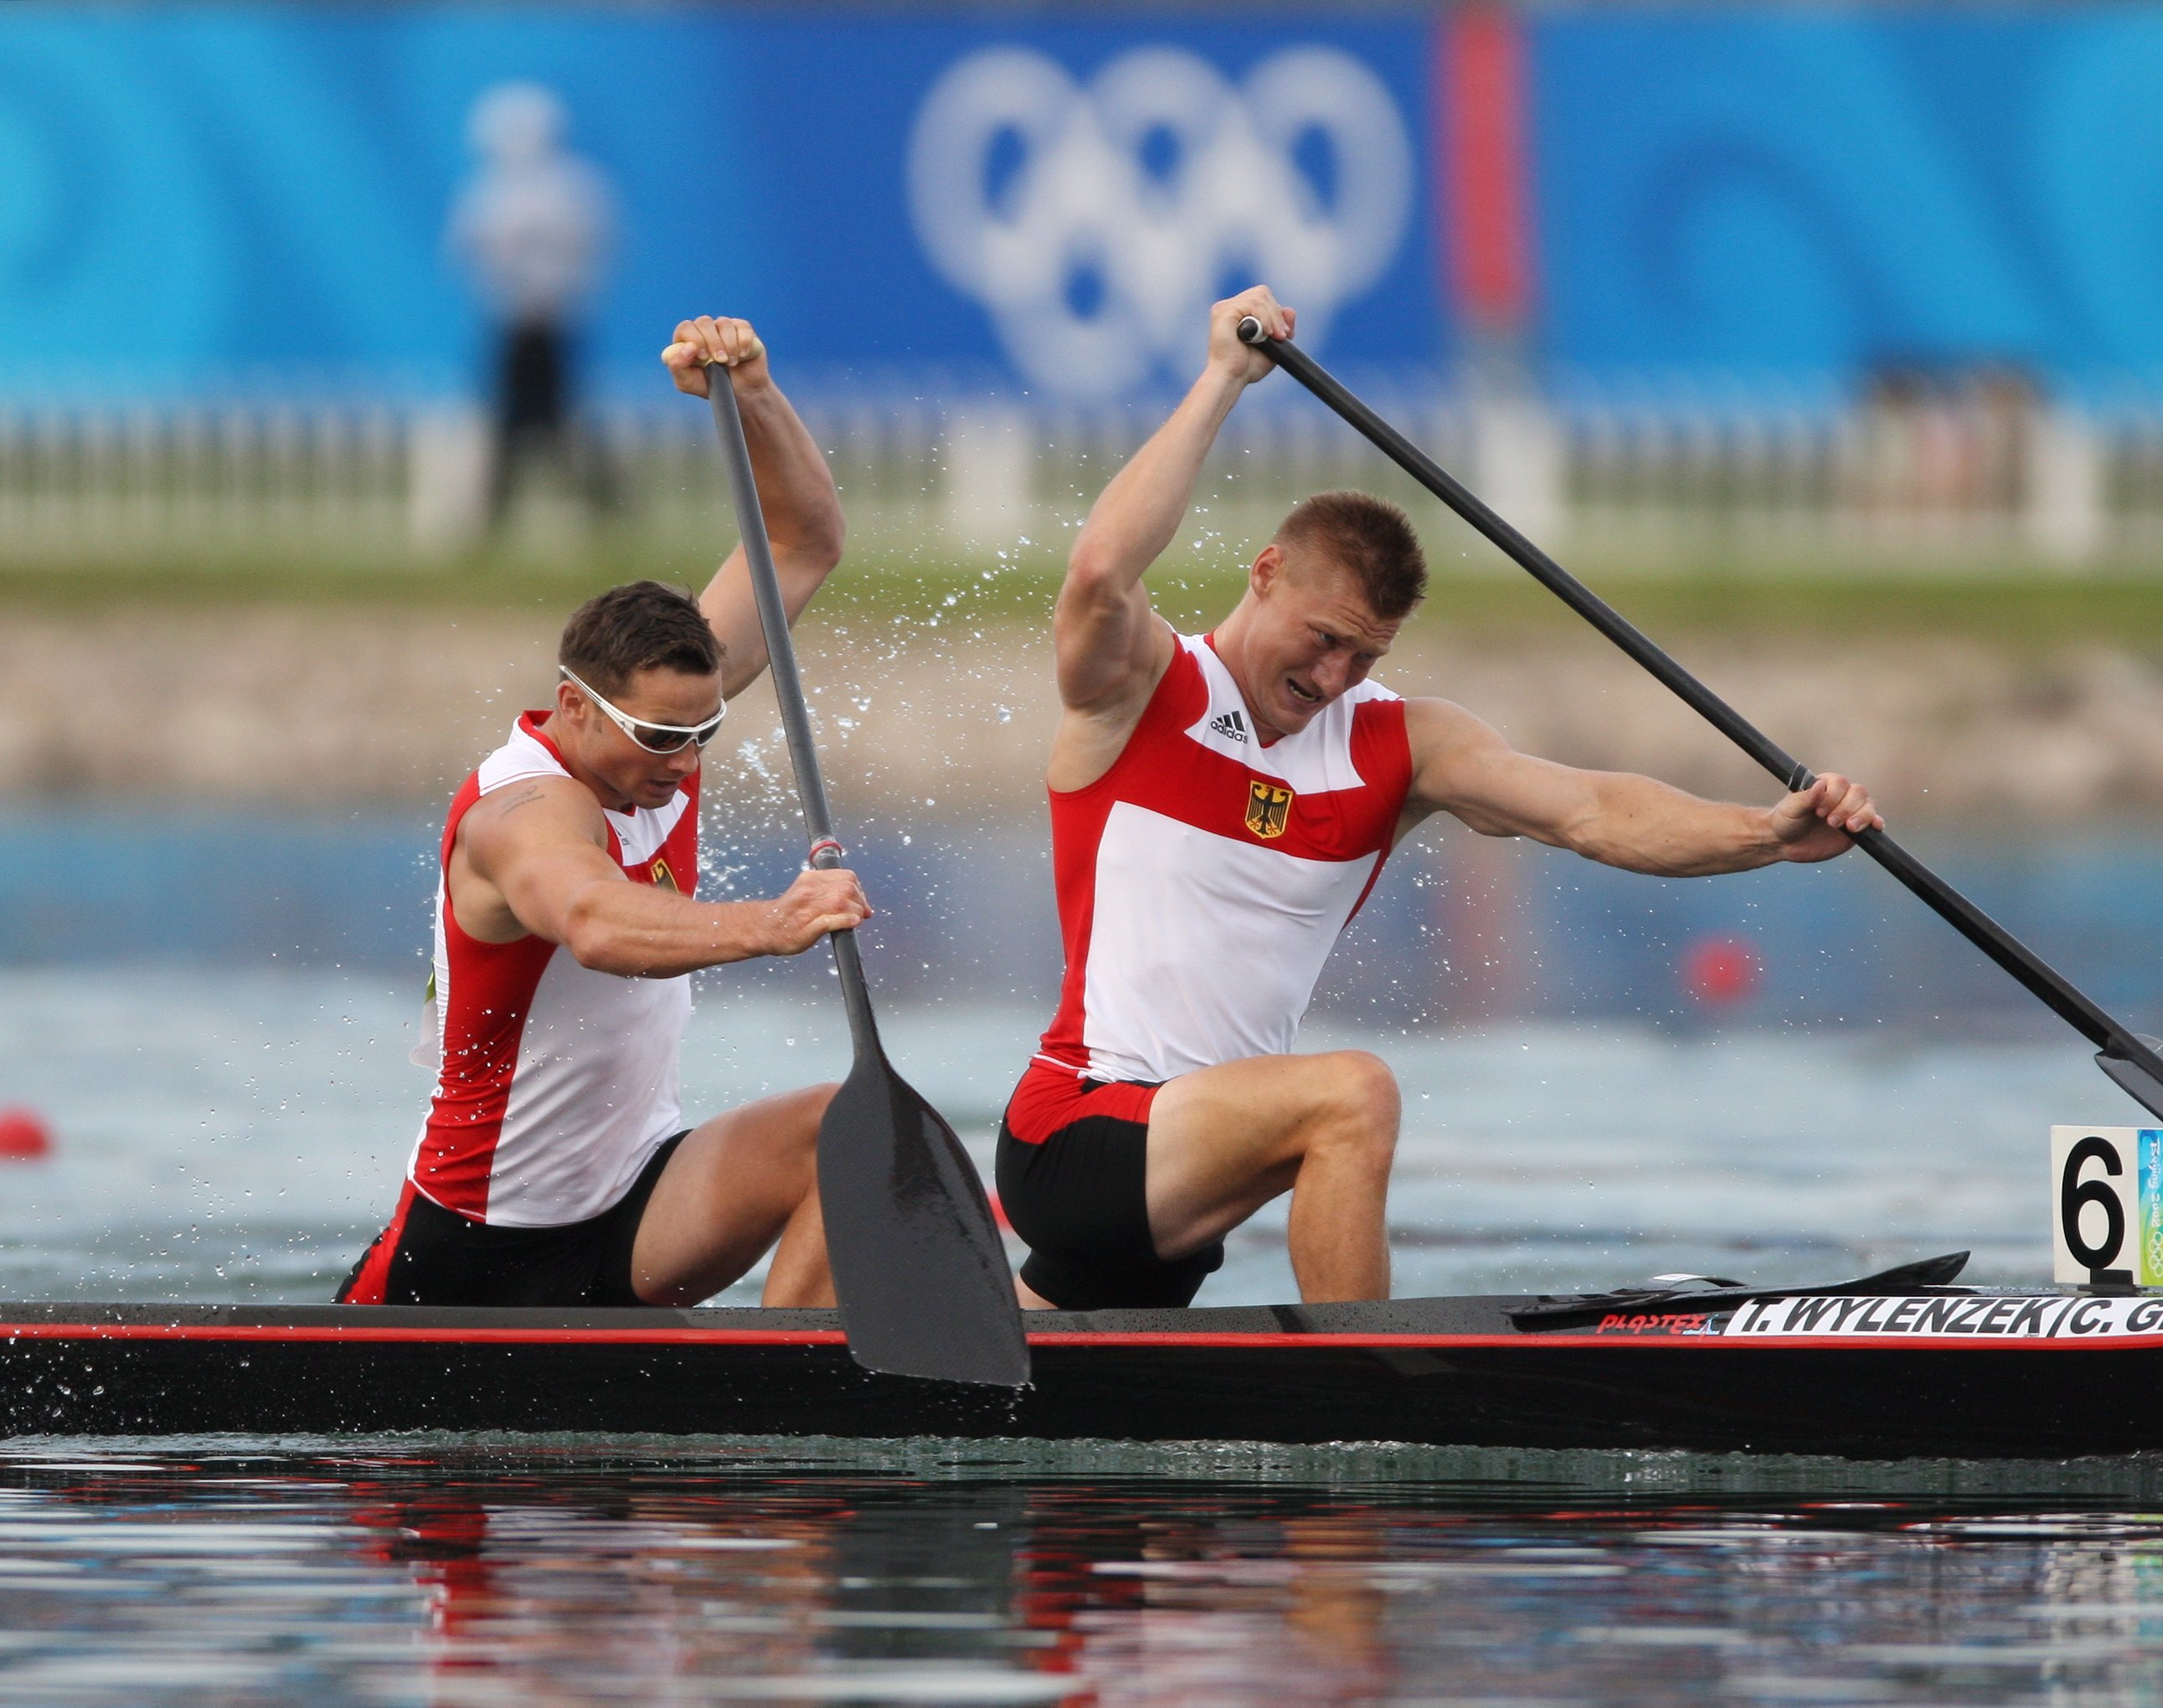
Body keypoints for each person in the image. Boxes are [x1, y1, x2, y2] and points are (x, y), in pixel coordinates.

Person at [997, 286, 1885, 1312]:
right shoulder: (1143, 691)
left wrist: (1766, 835)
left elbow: (1588, 810)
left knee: (1041, 1362)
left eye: (1362, 654)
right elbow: (1103, 568)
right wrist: (1219, 380)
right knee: (1351, 1094)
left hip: (1191, 1173)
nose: (1332, 678)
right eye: (1322, 637)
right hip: (1078, 1128)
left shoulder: (1401, 743)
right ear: (1266, 573)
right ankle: (1369, 1391)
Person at [339, 316, 873, 1309]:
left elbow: (803, 541)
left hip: (632, 1204)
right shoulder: (520, 810)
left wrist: (753, 392)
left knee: (842, 1134)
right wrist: (774, 921)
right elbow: (591, 920)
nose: (685, 760)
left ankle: (791, 1413)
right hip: (473, 1247)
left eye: (703, 731)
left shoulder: (665, 719)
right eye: (661, 737)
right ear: (575, 703)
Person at [448, 81, 618, 530]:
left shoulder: (573, 187)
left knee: (549, 416)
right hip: (512, 322)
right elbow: (466, 251)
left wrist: (560, 295)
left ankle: (600, 502)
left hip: (554, 322)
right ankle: (501, 510)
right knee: (521, 418)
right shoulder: (490, 190)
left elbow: (594, 249)